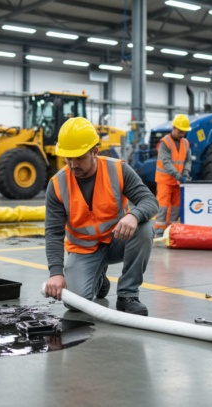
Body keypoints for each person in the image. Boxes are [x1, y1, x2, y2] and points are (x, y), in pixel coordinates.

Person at [43, 118, 158, 316]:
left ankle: (127, 295)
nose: (72, 164)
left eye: (79, 157)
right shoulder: (57, 185)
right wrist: (55, 273)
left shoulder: (119, 170)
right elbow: (53, 232)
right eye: (67, 158)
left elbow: (149, 201)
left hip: (116, 241)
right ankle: (99, 279)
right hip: (83, 249)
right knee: (75, 304)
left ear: (95, 151)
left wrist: (134, 216)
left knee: (144, 227)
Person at [154, 114, 193, 236]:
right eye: (181, 132)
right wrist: (176, 174)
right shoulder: (164, 143)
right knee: (163, 205)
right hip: (165, 180)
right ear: (174, 128)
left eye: (184, 132)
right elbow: (166, 162)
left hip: (178, 180)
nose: (182, 135)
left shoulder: (186, 143)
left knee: (176, 206)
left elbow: (188, 160)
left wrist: (185, 172)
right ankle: (159, 230)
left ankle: (171, 229)